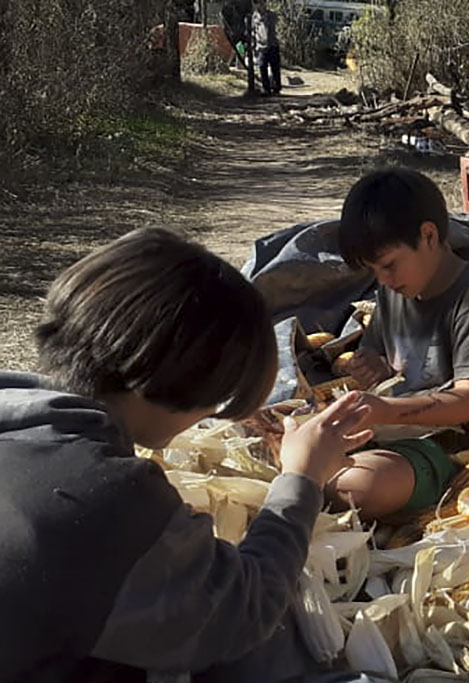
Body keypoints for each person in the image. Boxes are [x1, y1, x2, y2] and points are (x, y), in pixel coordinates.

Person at [0, 228, 374, 681]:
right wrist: (302, 477)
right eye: (218, 400)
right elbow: (242, 612)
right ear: (185, 382)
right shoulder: (108, 497)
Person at [327, 168, 469, 518]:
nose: (383, 280)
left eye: (389, 265)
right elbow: (385, 363)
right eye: (374, 271)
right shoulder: (393, 294)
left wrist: (385, 410)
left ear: (429, 235)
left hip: (452, 448)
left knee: (355, 487)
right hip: (392, 431)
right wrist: (372, 365)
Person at [253, 0, 282, 96]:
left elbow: (275, 27)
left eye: (262, 2)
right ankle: (266, 88)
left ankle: (276, 88)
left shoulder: (271, 15)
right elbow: (253, 30)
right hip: (261, 46)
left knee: (275, 67)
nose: (261, 5)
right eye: (258, 3)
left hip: (272, 44)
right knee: (262, 66)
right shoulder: (254, 17)